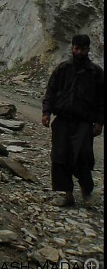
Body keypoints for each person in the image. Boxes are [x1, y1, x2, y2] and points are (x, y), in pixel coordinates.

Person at [41, 34, 104, 207]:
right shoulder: (63, 69)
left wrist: (99, 122)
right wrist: (46, 113)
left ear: (88, 49)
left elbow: (102, 100)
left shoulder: (96, 73)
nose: (79, 52)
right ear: (72, 48)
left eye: (82, 49)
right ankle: (66, 194)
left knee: (82, 156)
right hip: (62, 121)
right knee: (60, 156)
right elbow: (51, 92)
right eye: (76, 48)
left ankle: (87, 189)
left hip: (83, 123)